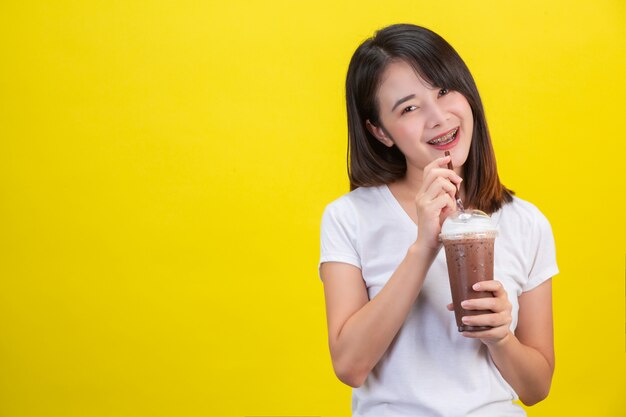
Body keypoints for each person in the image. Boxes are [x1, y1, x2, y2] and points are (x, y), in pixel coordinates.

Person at [318, 24, 558, 416]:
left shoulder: (526, 222)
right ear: (380, 132)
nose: (438, 116)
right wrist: (424, 245)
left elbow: (536, 388)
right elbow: (349, 365)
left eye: (444, 90)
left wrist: (501, 338)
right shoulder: (350, 217)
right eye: (409, 108)